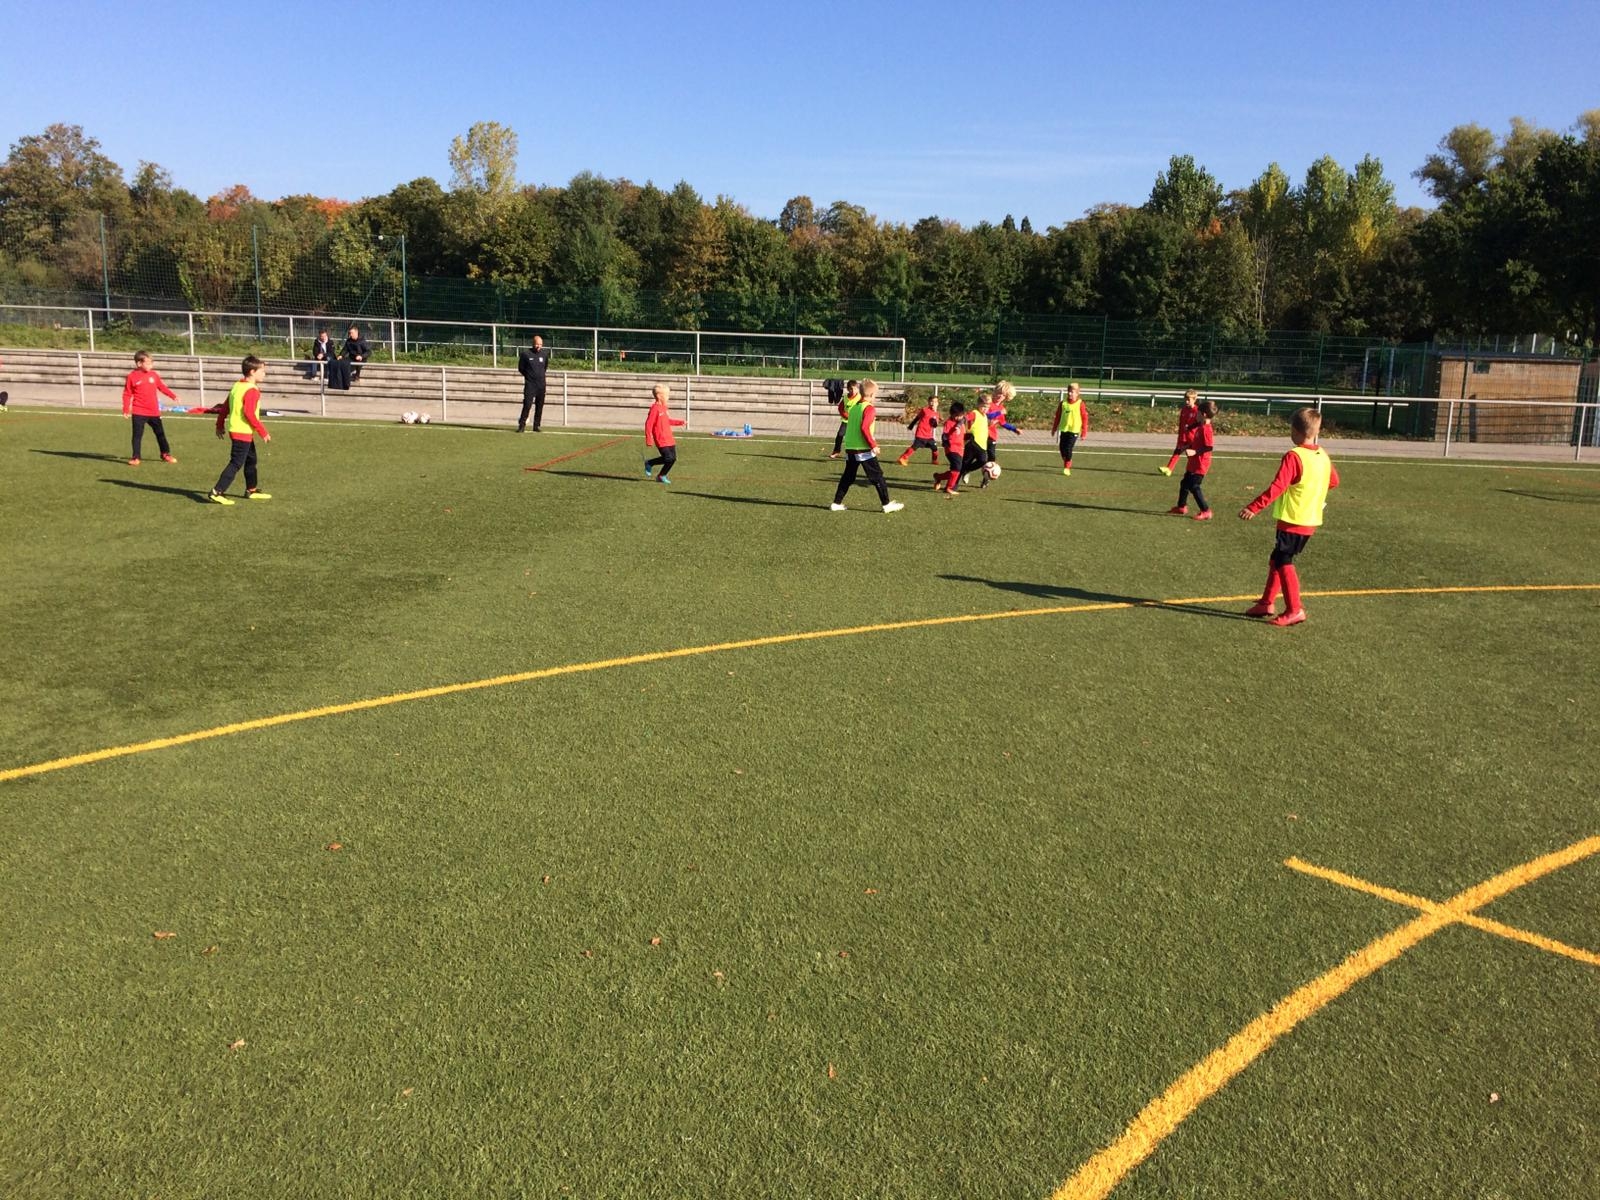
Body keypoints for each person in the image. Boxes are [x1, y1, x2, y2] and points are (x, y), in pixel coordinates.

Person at [1239, 406, 1340, 627]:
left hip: (1295, 518)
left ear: (1294, 431)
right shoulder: (1322, 455)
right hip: (1310, 518)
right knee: (1277, 557)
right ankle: (1266, 603)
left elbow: (1278, 486)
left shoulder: (1294, 456)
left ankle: (1295, 609)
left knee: (1284, 560)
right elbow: (1333, 481)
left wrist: (1254, 507)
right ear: (1316, 431)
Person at [205, 355, 272, 506]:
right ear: (252, 372)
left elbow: (225, 407)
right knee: (236, 463)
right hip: (242, 431)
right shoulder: (252, 390)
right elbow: (249, 413)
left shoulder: (237, 385)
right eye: (262, 371)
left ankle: (251, 490)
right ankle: (216, 492)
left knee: (251, 460)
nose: (264, 374)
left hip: (238, 430)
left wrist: (219, 424)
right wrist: (263, 431)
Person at [829, 379, 903, 513]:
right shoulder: (869, 408)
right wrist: (873, 445)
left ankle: (836, 503)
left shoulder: (854, 408)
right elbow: (864, 428)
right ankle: (886, 505)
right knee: (878, 476)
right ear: (872, 394)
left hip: (850, 448)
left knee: (848, 477)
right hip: (863, 449)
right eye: (875, 395)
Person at [120, 350, 180, 465]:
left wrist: (173, 396)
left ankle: (165, 454)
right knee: (137, 435)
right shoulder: (132, 376)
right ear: (139, 363)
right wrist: (126, 409)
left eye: (151, 363)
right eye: (147, 363)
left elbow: (162, 387)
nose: (150, 365)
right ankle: (136, 457)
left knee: (160, 434)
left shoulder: (154, 375)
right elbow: (127, 394)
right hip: (139, 411)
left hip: (153, 411)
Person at [1166, 399, 1216, 520]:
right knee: (1184, 483)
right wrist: (1188, 446)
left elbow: (1209, 447)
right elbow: (1197, 441)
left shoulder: (1207, 429)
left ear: (1203, 414)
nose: (1196, 415)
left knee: (1194, 486)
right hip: (1193, 462)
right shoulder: (1201, 425)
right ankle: (1181, 507)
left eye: (1197, 413)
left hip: (1201, 464)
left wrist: (1195, 452)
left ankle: (1206, 511)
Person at [643, 382, 684, 484]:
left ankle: (661, 475)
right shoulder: (654, 409)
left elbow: (667, 421)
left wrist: (680, 422)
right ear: (659, 396)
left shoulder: (664, 407)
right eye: (666, 395)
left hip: (669, 438)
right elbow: (648, 424)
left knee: (672, 459)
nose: (668, 397)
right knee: (668, 458)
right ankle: (650, 463)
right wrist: (649, 439)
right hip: (661, 439)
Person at [1159, 390, 1201, 476]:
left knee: (1190, 455)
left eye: (1188, 400)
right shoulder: (1184, 410)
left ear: (1194, 399)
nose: (1186, 402)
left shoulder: (1197, 411)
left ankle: (1196, 470)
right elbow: (1181, 423)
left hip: (1192, 438)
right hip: (1183, 436)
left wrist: (1194, 432)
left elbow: (1200, 424)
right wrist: (1180, 434)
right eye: (1185, 399)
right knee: (1177, 452)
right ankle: (1169, 469)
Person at [1052, 382, 1089, 475]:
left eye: (1072, 392)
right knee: (1062, 448)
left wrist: (1084, 432)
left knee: (1068, 448)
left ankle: (1067, 466)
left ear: (1077, 393)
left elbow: (1084, 418)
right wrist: (1054, 428)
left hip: (1074, 430)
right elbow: (1058, 416)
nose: (1069, 393)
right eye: (1069, 391)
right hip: (1064, 429)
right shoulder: (1063, 403)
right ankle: (1067, 460)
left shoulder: (1080, 404)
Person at [517, 333, 551, 432]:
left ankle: (536, 426)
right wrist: (529, 376)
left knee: (539, 406)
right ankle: (522, 425)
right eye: (537, 344)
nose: (538, 346)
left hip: (541, 385)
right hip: (530, 384)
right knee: (527, 404)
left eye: (540, 344)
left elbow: (545, 367)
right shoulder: (526, 354)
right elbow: (521, 368)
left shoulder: (544, 355)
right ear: (533, 343)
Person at [897, 394, 941, 466]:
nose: (933, 403)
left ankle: (934, 460)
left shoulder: (937, 414)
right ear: (928, 402)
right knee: (914, 447)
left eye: (935, 402)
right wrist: (911, 426)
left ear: (938, 403)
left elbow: (935, 426)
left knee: (935, 448)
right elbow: (917, 418)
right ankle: (902, 458)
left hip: (929, 436)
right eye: (932, 401)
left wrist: (934, 421)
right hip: (920, 433)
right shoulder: (924, 410)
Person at [985, 381, 1020, 471]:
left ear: (1006, 397)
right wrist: (999, 413)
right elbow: (987, 415)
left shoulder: (1001, 408)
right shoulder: (987, 404)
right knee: (979, 457)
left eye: (1003, 395)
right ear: (995, 391)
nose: (1000, 396)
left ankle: (986, 477)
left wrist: (1014, 429)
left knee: (992, 458)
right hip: (981, 434)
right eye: (999, 393)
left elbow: (1003, 423)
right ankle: (966, 470)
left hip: (991, 436)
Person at [960, 392, 991, 485]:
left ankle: (967, 470)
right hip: (972, 443)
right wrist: (960, 424)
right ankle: (952, 485)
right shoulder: (975, 413)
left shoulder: (985, 416)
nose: (985, 409)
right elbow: (966, 418)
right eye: (983, 406)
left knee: (983, 461)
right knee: (964, 463)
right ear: (978, 404)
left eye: (987, 407)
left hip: (982, 445)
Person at [937, 400, 967, 496]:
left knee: (955, 470)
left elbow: (963, 434)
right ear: (952, 414)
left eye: (961, 415)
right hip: (951, 449)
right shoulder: (949, 423)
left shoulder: (962, 422)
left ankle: (939, 477)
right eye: (957, 416)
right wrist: (945, 442)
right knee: (957, 468)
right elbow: (944, 434)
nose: (959, 417)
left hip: (960, 449)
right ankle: (949, 488)